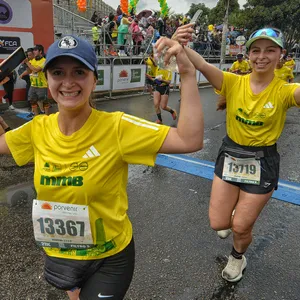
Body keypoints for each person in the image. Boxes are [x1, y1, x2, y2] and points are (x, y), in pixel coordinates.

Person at [0, 34, 204, 300]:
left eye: (79, 72)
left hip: (109, 257)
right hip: (62, 255)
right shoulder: (37, 129)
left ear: (95, 79)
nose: (69, 82)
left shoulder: (117, 127)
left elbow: (190, 139)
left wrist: (187, 74)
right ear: (47, 79)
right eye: (58, 72)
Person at [173, 25, 300, 282]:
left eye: (269, 50)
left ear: (281, 55)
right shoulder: (233, 82)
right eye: (255, 50)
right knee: (218, 224)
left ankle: (237, 257)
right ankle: (234, 215)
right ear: (248, 54)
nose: (261, 56)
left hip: (262, 161)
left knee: (241, 226)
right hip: (230, 154)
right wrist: (181, 45)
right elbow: (203, 66)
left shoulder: (285, 90)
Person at [25, 44, 50, 117]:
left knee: (44, 101)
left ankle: (46, 117)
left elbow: (36, 70)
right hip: (33, 85)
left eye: (35, 50)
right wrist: (27, 64)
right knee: (32, 101)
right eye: (33, 50)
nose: (34, 52)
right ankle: (36, 116)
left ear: (40, 51)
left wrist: (27, 63)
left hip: (42, 85)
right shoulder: (32, 60)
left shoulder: (44, 61)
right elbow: (30, 71)